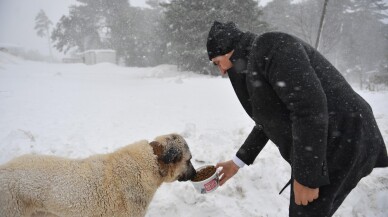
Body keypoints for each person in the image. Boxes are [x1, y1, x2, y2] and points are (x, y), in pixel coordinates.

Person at [207, 21, 388, 217]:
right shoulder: (255, 63)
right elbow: (268, 121)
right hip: (330, 138)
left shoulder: (271, 45)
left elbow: (309, 108)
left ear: (229, 50)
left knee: (305, 212)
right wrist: (237, 162)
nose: (222, 71)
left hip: (343, 135)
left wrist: (307, 178)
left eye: (217, 63)